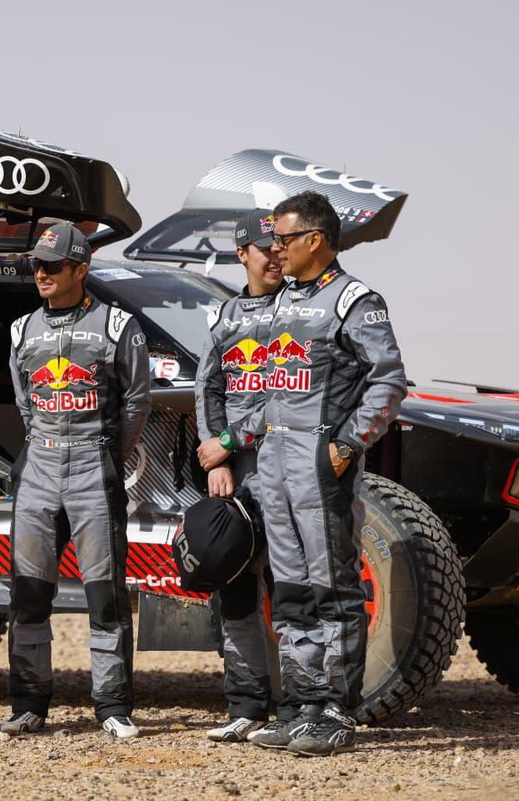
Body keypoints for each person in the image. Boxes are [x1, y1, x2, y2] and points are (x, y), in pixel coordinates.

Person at [213, 190, 406, 756]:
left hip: (320, 469)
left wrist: (347, 446)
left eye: (285, 238)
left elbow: (388, 380)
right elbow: (262, 389)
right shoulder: (278, 304)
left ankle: (338, 712)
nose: (276, 249)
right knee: (292, 593)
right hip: (272, 466)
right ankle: (302, 707)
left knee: (333, 589)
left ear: (314, 239)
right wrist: (231, 440)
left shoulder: (353, 300)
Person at [1, 222, 151, 739]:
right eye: (36, 265)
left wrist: (107, 454)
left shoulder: (118, 325)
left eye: (52, 265)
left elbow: (136, 402)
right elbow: (24, 402)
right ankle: (27, 705)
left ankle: (112, 707)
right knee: (28, 593)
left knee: (105, 596)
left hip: (93, 469)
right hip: (39, 470)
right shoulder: (21, 329)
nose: (40, 273)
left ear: (80, 269)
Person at [193, 208, 285, 743]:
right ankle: (246, 707)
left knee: (291, 596)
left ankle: (298, 709)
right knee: (236, 594)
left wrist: (231, 441)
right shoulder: (224, 315)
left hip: (286, 471)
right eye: (265, 248)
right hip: (237, 479)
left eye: (281, 247)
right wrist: (220, 460)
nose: (276, 256)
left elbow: (290, 399)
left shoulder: (299, 311)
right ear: (242, 254)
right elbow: (208, 390)